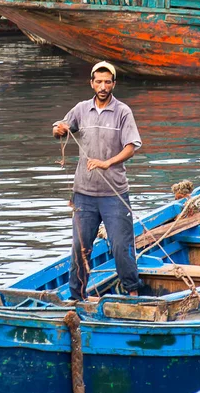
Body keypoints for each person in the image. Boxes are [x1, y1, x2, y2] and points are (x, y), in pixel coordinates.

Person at [53, 61, 142, 300]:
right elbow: (61, 127)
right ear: (92, 83)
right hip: (84, 193)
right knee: (80, 250)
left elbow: (131, 147)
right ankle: (76, 299)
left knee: (121, 248)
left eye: (107, 82)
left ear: (114, 84)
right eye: (98, 81)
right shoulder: (81, 109)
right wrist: (58, 130)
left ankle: (133, 293)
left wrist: (107, 163)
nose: (103, 86)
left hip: (114, 193)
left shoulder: (123, 112)